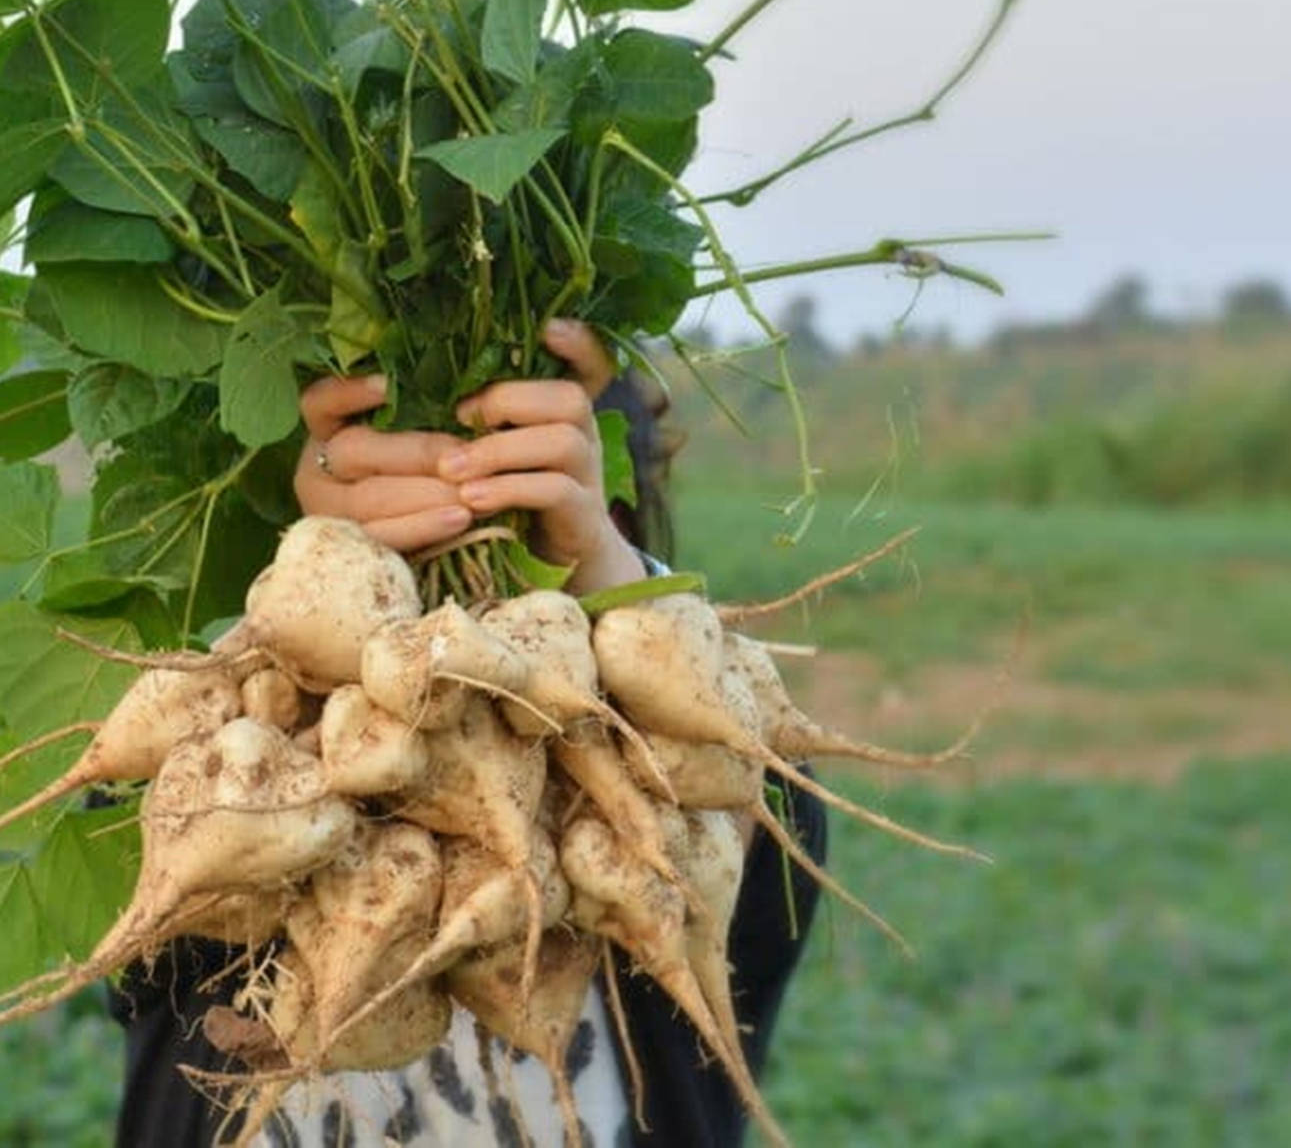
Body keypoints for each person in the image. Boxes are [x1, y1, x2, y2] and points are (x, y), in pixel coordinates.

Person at [109, 320, 828, 1146]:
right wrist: (314, 584)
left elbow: (769, 825)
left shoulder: (655, 833)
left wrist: (613, 583)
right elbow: (145, 856)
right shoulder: (264, 764)